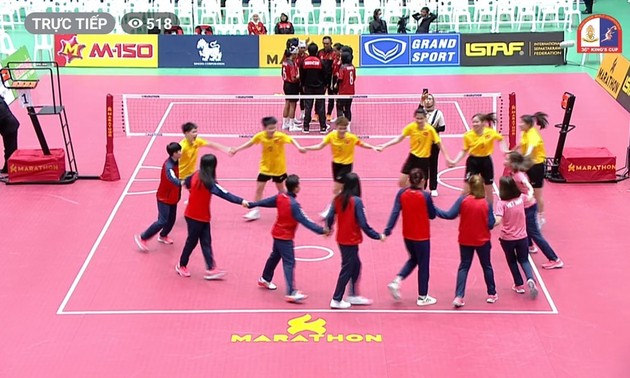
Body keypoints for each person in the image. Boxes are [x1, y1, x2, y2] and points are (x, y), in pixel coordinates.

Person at [247, 174, 329, 303]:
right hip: (285, 237)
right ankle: (291, 292)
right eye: (299, 185)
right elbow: (305, 221)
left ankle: (265, 279)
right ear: (296, 188)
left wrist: (252, 204)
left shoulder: (281, 197)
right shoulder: (294, 205)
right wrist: (322, 230)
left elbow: (266, 202)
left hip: (277, 233)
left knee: (275, 256)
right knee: (289, 262)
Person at [175, 154, 249, 279]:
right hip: (195, 217)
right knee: (192, 242)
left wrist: (194, 196)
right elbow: (225, 194)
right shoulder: (210, 182)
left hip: (200, 216)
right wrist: (242, 201)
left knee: (206, 241)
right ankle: (181, 265)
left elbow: (186, 184)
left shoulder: (195, 174)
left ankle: (210, 268)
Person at [436, 175, 497, 307]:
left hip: (465, 239)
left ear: (470, 186)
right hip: (483, 240)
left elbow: (449, 215)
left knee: (464, 266)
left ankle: (459, 296)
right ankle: (492, 293)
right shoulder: (486, 203)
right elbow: (491, 224)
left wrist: (433, 209)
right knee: (486, 266)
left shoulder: (463, 200)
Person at [326, 173, 385, 309]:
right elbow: (364, 224)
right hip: (351, 240)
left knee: (356, 265)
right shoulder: (356, 201)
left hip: (341, 239)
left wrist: (329, 228)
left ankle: (353, 294)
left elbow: (330, 216)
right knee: (347, 268)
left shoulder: (338, 199)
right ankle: (336, 298)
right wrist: (377, 236)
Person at [231, 116, 306, 221]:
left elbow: (292, 140)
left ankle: (294, 208)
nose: (272, 130)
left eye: (274, 128)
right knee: (259, 189)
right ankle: (255, 211)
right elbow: (250, 143)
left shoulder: (280, 136)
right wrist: (237, 149)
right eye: (270, 128)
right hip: (265, 168)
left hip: (278, 169)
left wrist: (299, 147)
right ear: (264, 128)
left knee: (282, 191)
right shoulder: (260, 136)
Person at [383, 168, 438, 306]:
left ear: (409, 180)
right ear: (423, 181)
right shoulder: (425, 196)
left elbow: (395, 212)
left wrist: (387, 231)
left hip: (407, 236)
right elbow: (432, 215)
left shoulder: (402, 193)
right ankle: (422, 296)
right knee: (423, 265)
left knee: (413, 259)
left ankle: (397, 280)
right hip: (422, 237)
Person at [303, 116, 378, 218]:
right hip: (336, 165)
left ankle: (330, 211)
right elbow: (320, 146)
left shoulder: (351, 137)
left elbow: (362, 144)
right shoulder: (331, 136)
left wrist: (374, 147)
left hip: (346, 165)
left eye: (344, 128)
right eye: (340, 128)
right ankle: (353, 207)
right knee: (344, 189)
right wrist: (306, 148)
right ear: (336, 127)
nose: (342, 131)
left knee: (336, 189)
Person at [506, 151, 564, 269]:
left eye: (507, 160)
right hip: (524, 206)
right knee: (525, 227)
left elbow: (528, 185)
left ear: (513, 163)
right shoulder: (513, 172)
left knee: (535, 233)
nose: (504, 161)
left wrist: (530, 193)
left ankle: (554, 259)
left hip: (529, 207)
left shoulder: (519, 176)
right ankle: (530, 246)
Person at [376, 108, 452, 188]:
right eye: (417, 118)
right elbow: (399, 139)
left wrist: (447, 158)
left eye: (421, 118)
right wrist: (384, 145)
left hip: (424, 160)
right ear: (414, 117)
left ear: (425, 118)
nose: (419, 121)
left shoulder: (430, 130)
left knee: (421, 187)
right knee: (402, 182)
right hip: (413, 157)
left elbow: (439, 144)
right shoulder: (411, 127)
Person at [447, 112, 508, 208]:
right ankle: (458, 209)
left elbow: (501, 139)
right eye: (473, 122)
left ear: (483, 123)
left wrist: (505, 150)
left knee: (488, 189)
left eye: (477, 122)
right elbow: (464, 150)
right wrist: (455, 161)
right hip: (473, 162)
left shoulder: (490, 132)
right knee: (466, 189)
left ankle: (490, 211)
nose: (474, 124)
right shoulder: (468, 135)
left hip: (486, 161)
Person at [494, 176, 538, 299]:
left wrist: (486, 223)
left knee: (512, 261)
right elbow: (530, 195)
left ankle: (519, 284)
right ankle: (530, 279)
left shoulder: (501, 204)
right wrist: (528, 185)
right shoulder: (521, 198)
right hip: (522, 237)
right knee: (524, 260)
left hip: (507, 239)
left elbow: (497, 221)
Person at [134, 142, 183, 251]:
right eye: (179, 151)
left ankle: (163, 235)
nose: (181, 152)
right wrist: (182, 182)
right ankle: (143, 237)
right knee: (162, 220)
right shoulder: (168, 166)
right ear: (174, 153)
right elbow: (172, 178)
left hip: (173, 197)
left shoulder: (176, 161)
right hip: (164, 198)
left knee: (171, 220)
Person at [515, 112, 549, 227]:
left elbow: (529, 150)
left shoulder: (533, 135)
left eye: (521, 123)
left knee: (536, 193)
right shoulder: (523, 132)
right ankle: (526, 214)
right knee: (524, 189)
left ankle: (540, 217)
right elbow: (520, 144)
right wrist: (512, 151)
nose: (519, 124)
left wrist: (521, 160)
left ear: (528, 124)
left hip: (536, 166)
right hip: (527, 164)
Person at [421, 93, 446, 197]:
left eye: (430, 99)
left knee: (433, 165)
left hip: (434, 143)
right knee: (423, 165)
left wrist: (431, 129)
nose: (428, 101)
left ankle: (433, 188)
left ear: (433, 101)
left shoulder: (438, 113)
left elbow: (443, 127)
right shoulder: (421, 113)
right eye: (426, 99)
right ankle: (423, 185)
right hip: (423, 144)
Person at [300, 43, 327, 134]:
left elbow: (302, 75)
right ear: (316, 51)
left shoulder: (304, 61)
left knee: (308, 107)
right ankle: (323, 127)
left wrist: (303, 85)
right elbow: (325, 75)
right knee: (321, 107)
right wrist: (325, 85)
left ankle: (306, 127)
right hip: (319, 88)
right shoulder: (320, 62)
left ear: (308, 51)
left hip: (308, 87)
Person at [281, 46, 301, 132]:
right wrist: (299, 76)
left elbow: (282, 74)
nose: (297, 55)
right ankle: (292, 125)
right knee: (293, 105)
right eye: (296, 54)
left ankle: (285, 123)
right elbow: (293, 78)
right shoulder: (291, 64)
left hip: (286, 84)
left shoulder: (284, 62)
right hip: (292, 85)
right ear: (293, 54)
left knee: (287, 103)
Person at [335, 52, 356, 131]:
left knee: (340, 108)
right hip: (351, 91)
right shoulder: (353, 67)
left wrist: (336, 84)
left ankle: (340, 127)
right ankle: (348, 127)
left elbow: (340, 79)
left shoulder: (342, 67)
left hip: (343, 92)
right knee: (348, 108)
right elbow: (354, 78)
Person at [0, 94, 19, 176]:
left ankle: (10, 169)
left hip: (9, 126)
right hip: (9, 124)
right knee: (10, 150)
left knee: (10, 151)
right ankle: (7, 169)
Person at [318, 36, 336, 123]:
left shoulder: (334, 53)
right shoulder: (320, 52)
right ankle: (317, 113)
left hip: (331, 78)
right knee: (319, 96)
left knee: (331, 97)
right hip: (321, 78)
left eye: (327, 44)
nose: (325, 45)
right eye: (324, 43)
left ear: (331, 43)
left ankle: (329, 114)